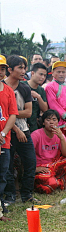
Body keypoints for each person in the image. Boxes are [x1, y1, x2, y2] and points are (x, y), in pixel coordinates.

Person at [3, 55, 38, 204]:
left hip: (24, 130)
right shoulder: (2, 87)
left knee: (30, 162)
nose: (24, 71)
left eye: (24, 67)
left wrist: (12, 115)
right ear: (9, 70)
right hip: (6, 132)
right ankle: (10, 195)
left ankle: (27, 194)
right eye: (20, 68)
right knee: (7, 166)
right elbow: (3, 115)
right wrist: (15, 126)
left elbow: (28, 112)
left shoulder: (24, 87)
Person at [31, 110, 66, 194]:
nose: (51, 122)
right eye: (48, 119)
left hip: (54, 165)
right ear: (43, 122)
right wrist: (35, 168)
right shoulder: (36, 135)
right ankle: (55, 183)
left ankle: (64, 184)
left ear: (58, 122)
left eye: (54, 119)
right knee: (52, 184)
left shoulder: (59, 134)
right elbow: (27, 155)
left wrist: (61, 138)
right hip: (41, 168)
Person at [45, 61, 66, 154]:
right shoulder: (50, 87)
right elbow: (53, 104)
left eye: (63, 72)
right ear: (53, 73)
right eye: (58, 72)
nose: (61, 74)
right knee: (59, 147)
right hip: (58, 122)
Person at [0, 55, 18, 221]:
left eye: (2, 68)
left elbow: (12, 115)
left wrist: (4, 133)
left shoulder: (8, 91)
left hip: (3, 140)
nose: (0, 72)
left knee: (2, 174)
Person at [24, 63, 48, 132]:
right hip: (22, 124)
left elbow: (45, 109)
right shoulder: (22, 85)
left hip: (35, 126)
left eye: (44, 75)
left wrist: (38, 97)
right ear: (32, 73)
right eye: (40, 74)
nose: (43, 77)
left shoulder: (41, 90)